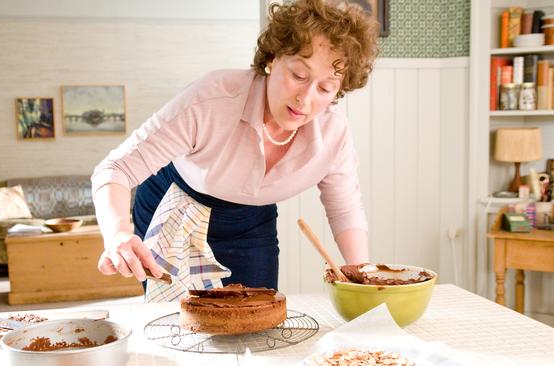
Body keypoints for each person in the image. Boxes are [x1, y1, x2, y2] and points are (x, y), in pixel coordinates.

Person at [91, 0, 380, 290]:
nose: (305, 98)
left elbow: (345, 210)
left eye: (325, 88)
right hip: (175, 202)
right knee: (177, 325)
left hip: (249, 221)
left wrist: (362, 278)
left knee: (256, 319)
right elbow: (115, 169)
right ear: (272, 59)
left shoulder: (333, 133)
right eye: (298, 75)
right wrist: (117, 234)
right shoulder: (212, 99)